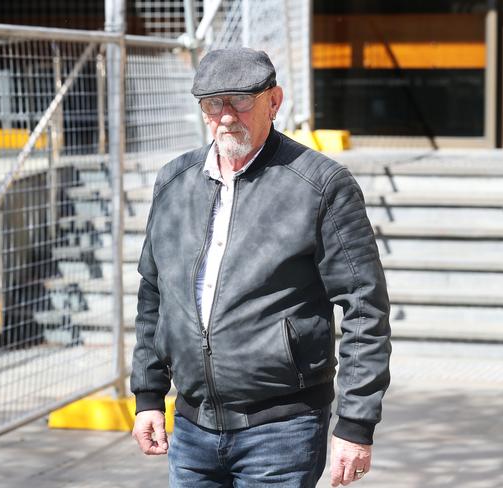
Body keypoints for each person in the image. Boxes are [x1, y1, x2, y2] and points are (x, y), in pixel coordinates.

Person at [130, 47, 391, 488]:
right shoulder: (174, 181)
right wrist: (148, 396)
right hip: (192, 429)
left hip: (282, 430)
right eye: (214, 103)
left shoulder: (322, 185)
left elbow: (365, 308)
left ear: (275, 101)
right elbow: (154, 294)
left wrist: (355, 424)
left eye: (241, 101)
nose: (226, 116)